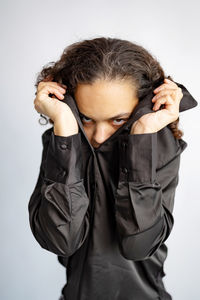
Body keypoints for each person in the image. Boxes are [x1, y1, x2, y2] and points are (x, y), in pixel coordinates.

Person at [28, 37, 198, 300]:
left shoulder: (159, 147)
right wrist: (64, 130)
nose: (99, 135)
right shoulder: (63, 141)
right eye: (86, 118)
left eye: (118, 120)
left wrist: (141, 140)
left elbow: (140, 245)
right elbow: (60, 240)